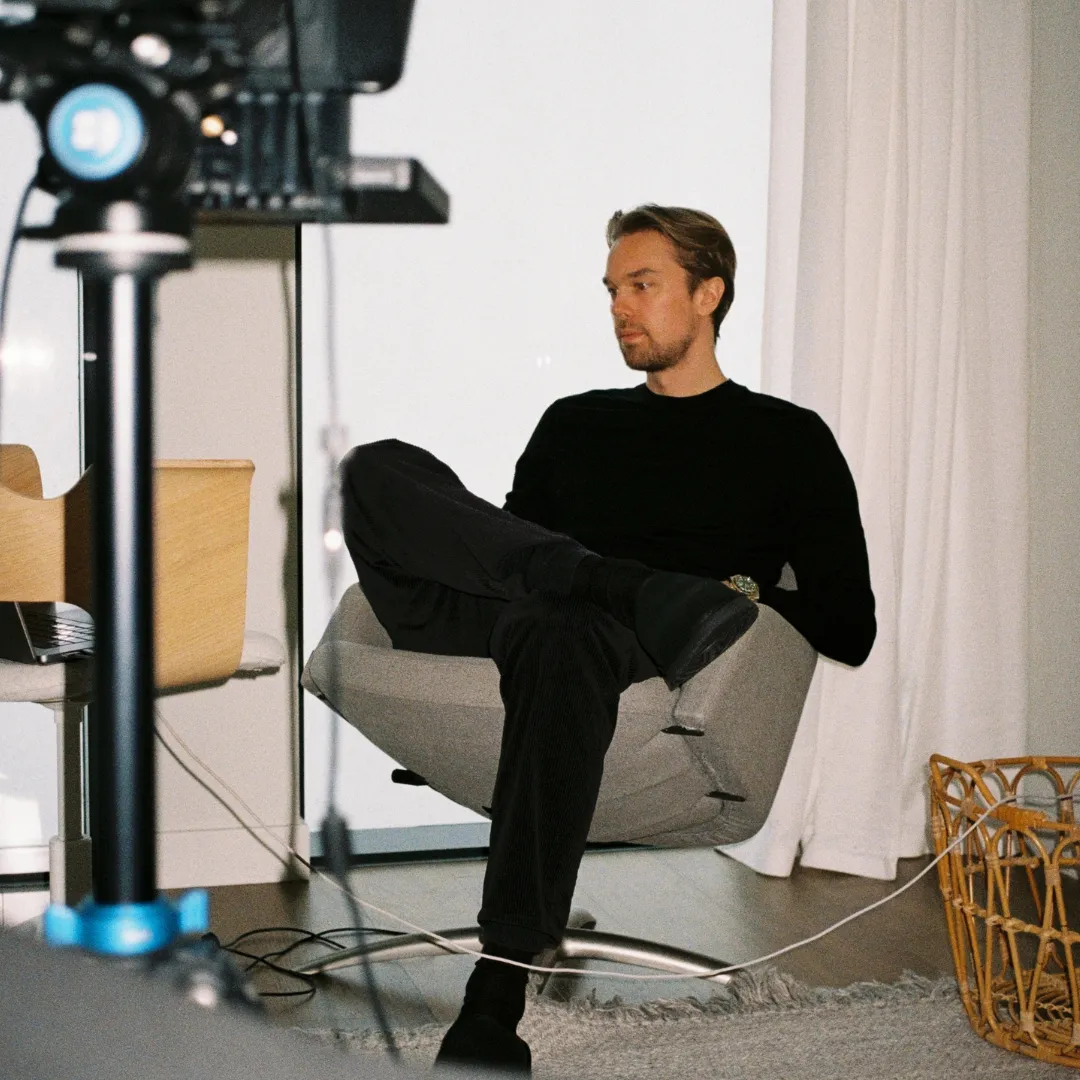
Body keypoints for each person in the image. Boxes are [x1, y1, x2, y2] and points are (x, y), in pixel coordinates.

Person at [341, 205, 876, 1073]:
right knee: (375, 468)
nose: (620, 307)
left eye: (642, 285)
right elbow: (504, 554)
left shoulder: (788, 440)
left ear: (709, 294)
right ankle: (616, 583)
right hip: (517, 620)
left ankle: (498, 988)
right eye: (613, 290)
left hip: (624, 651)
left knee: (562, 625)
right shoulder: (574, 421)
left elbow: (851, 624)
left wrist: (728, 594)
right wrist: (586, 573)